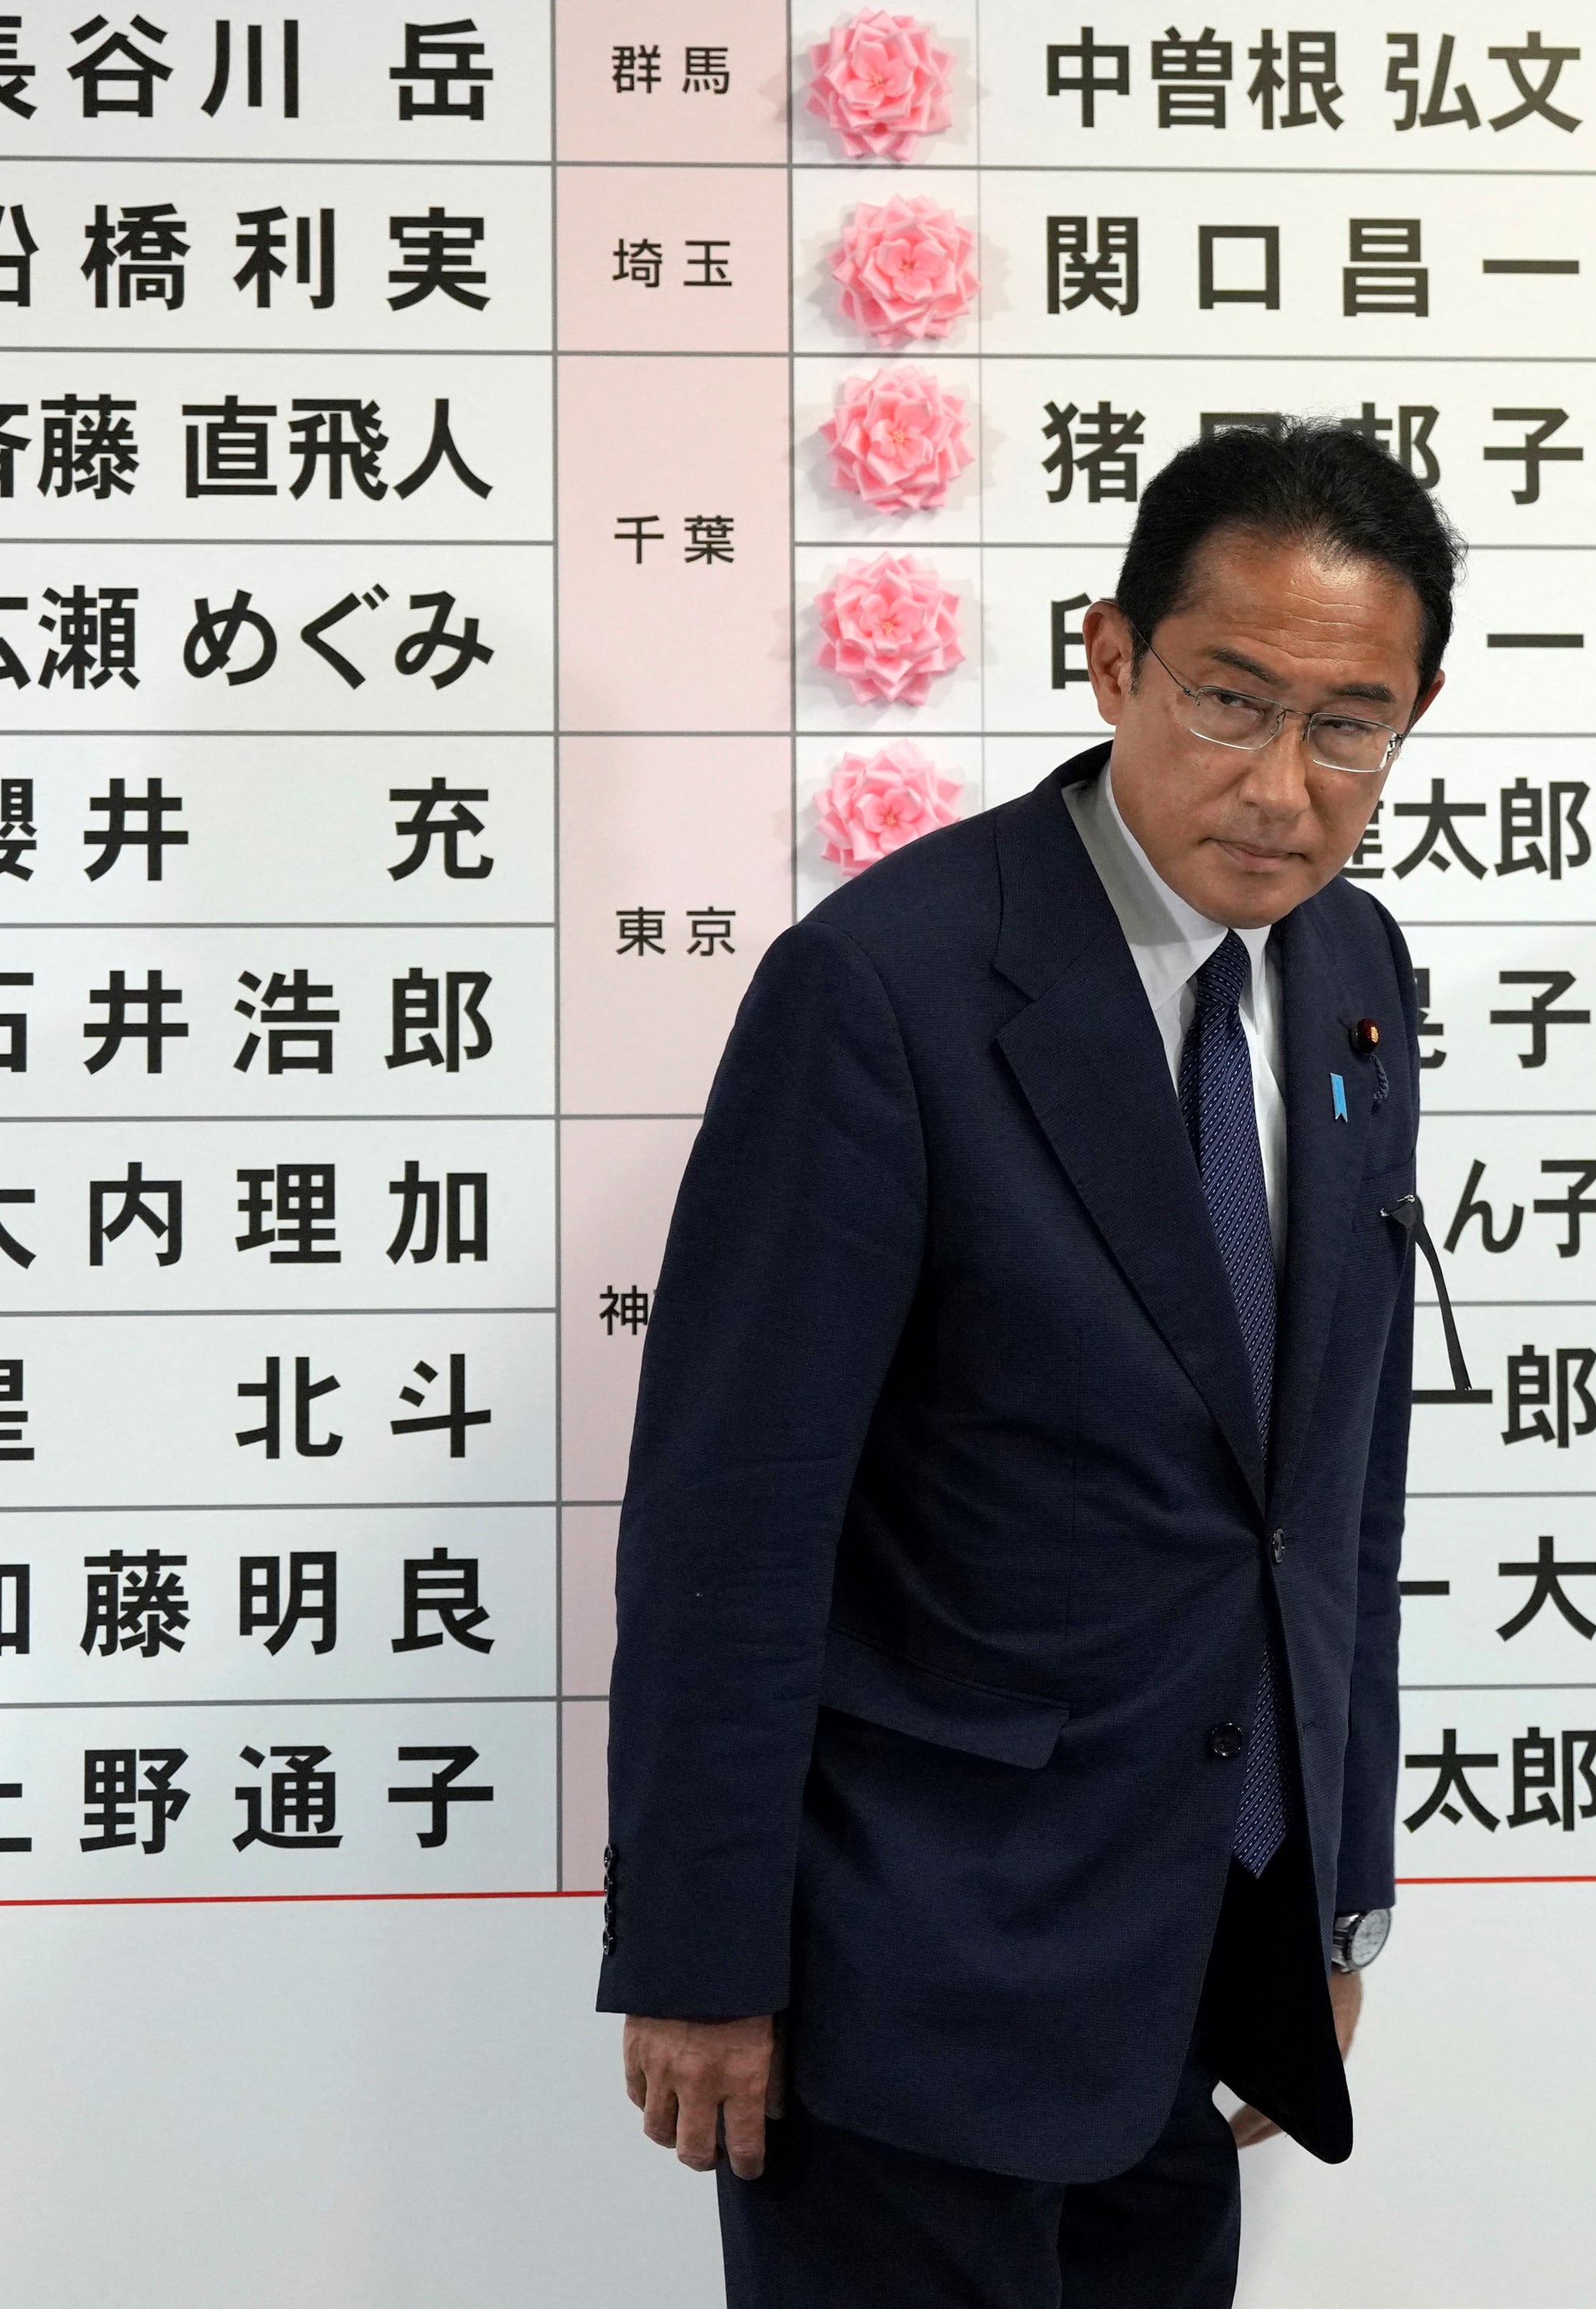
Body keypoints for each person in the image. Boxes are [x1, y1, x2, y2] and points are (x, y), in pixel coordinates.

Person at [599, 417, 1449, 2307]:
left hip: (1198, 1942)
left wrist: (1328, 1893)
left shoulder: (1354, 969)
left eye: (1348, 723)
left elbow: (1337, 1484)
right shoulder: (889, 987)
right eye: (1228, 698)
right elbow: (732, 1512)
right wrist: (699, 1955)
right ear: (1111, 657)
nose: (1281, 784)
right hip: (908, 1961)